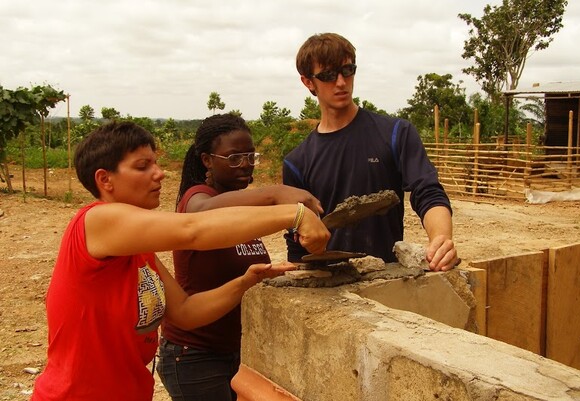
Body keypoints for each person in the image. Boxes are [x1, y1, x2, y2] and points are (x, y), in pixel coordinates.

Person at [30, 121, 330, 401]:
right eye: (142, 166)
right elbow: (192, 231)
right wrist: (293, 213)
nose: (159, 173)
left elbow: (186, 312)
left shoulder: (137, 252)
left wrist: (245, 281)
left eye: (155, 163)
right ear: (104, 179)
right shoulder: (95, 220)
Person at [157, 114, 323, 401]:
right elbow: (201, 213)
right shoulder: (197, 198)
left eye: (250, 156)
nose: (246, 164)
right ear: (208, 160)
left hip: (235, 351)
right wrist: (277, 194)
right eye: (234, 158)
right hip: (197, 355)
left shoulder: (242, 209)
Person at [283, 32, 458, 271]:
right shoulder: (297, 162)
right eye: (328, 76)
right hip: (328, 289)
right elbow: (297, 241)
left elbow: (427, 191)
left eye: (347, 70)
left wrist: (441, 240)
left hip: (387, 279)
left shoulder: (395, 133)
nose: (341, 82)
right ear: (308, 82)